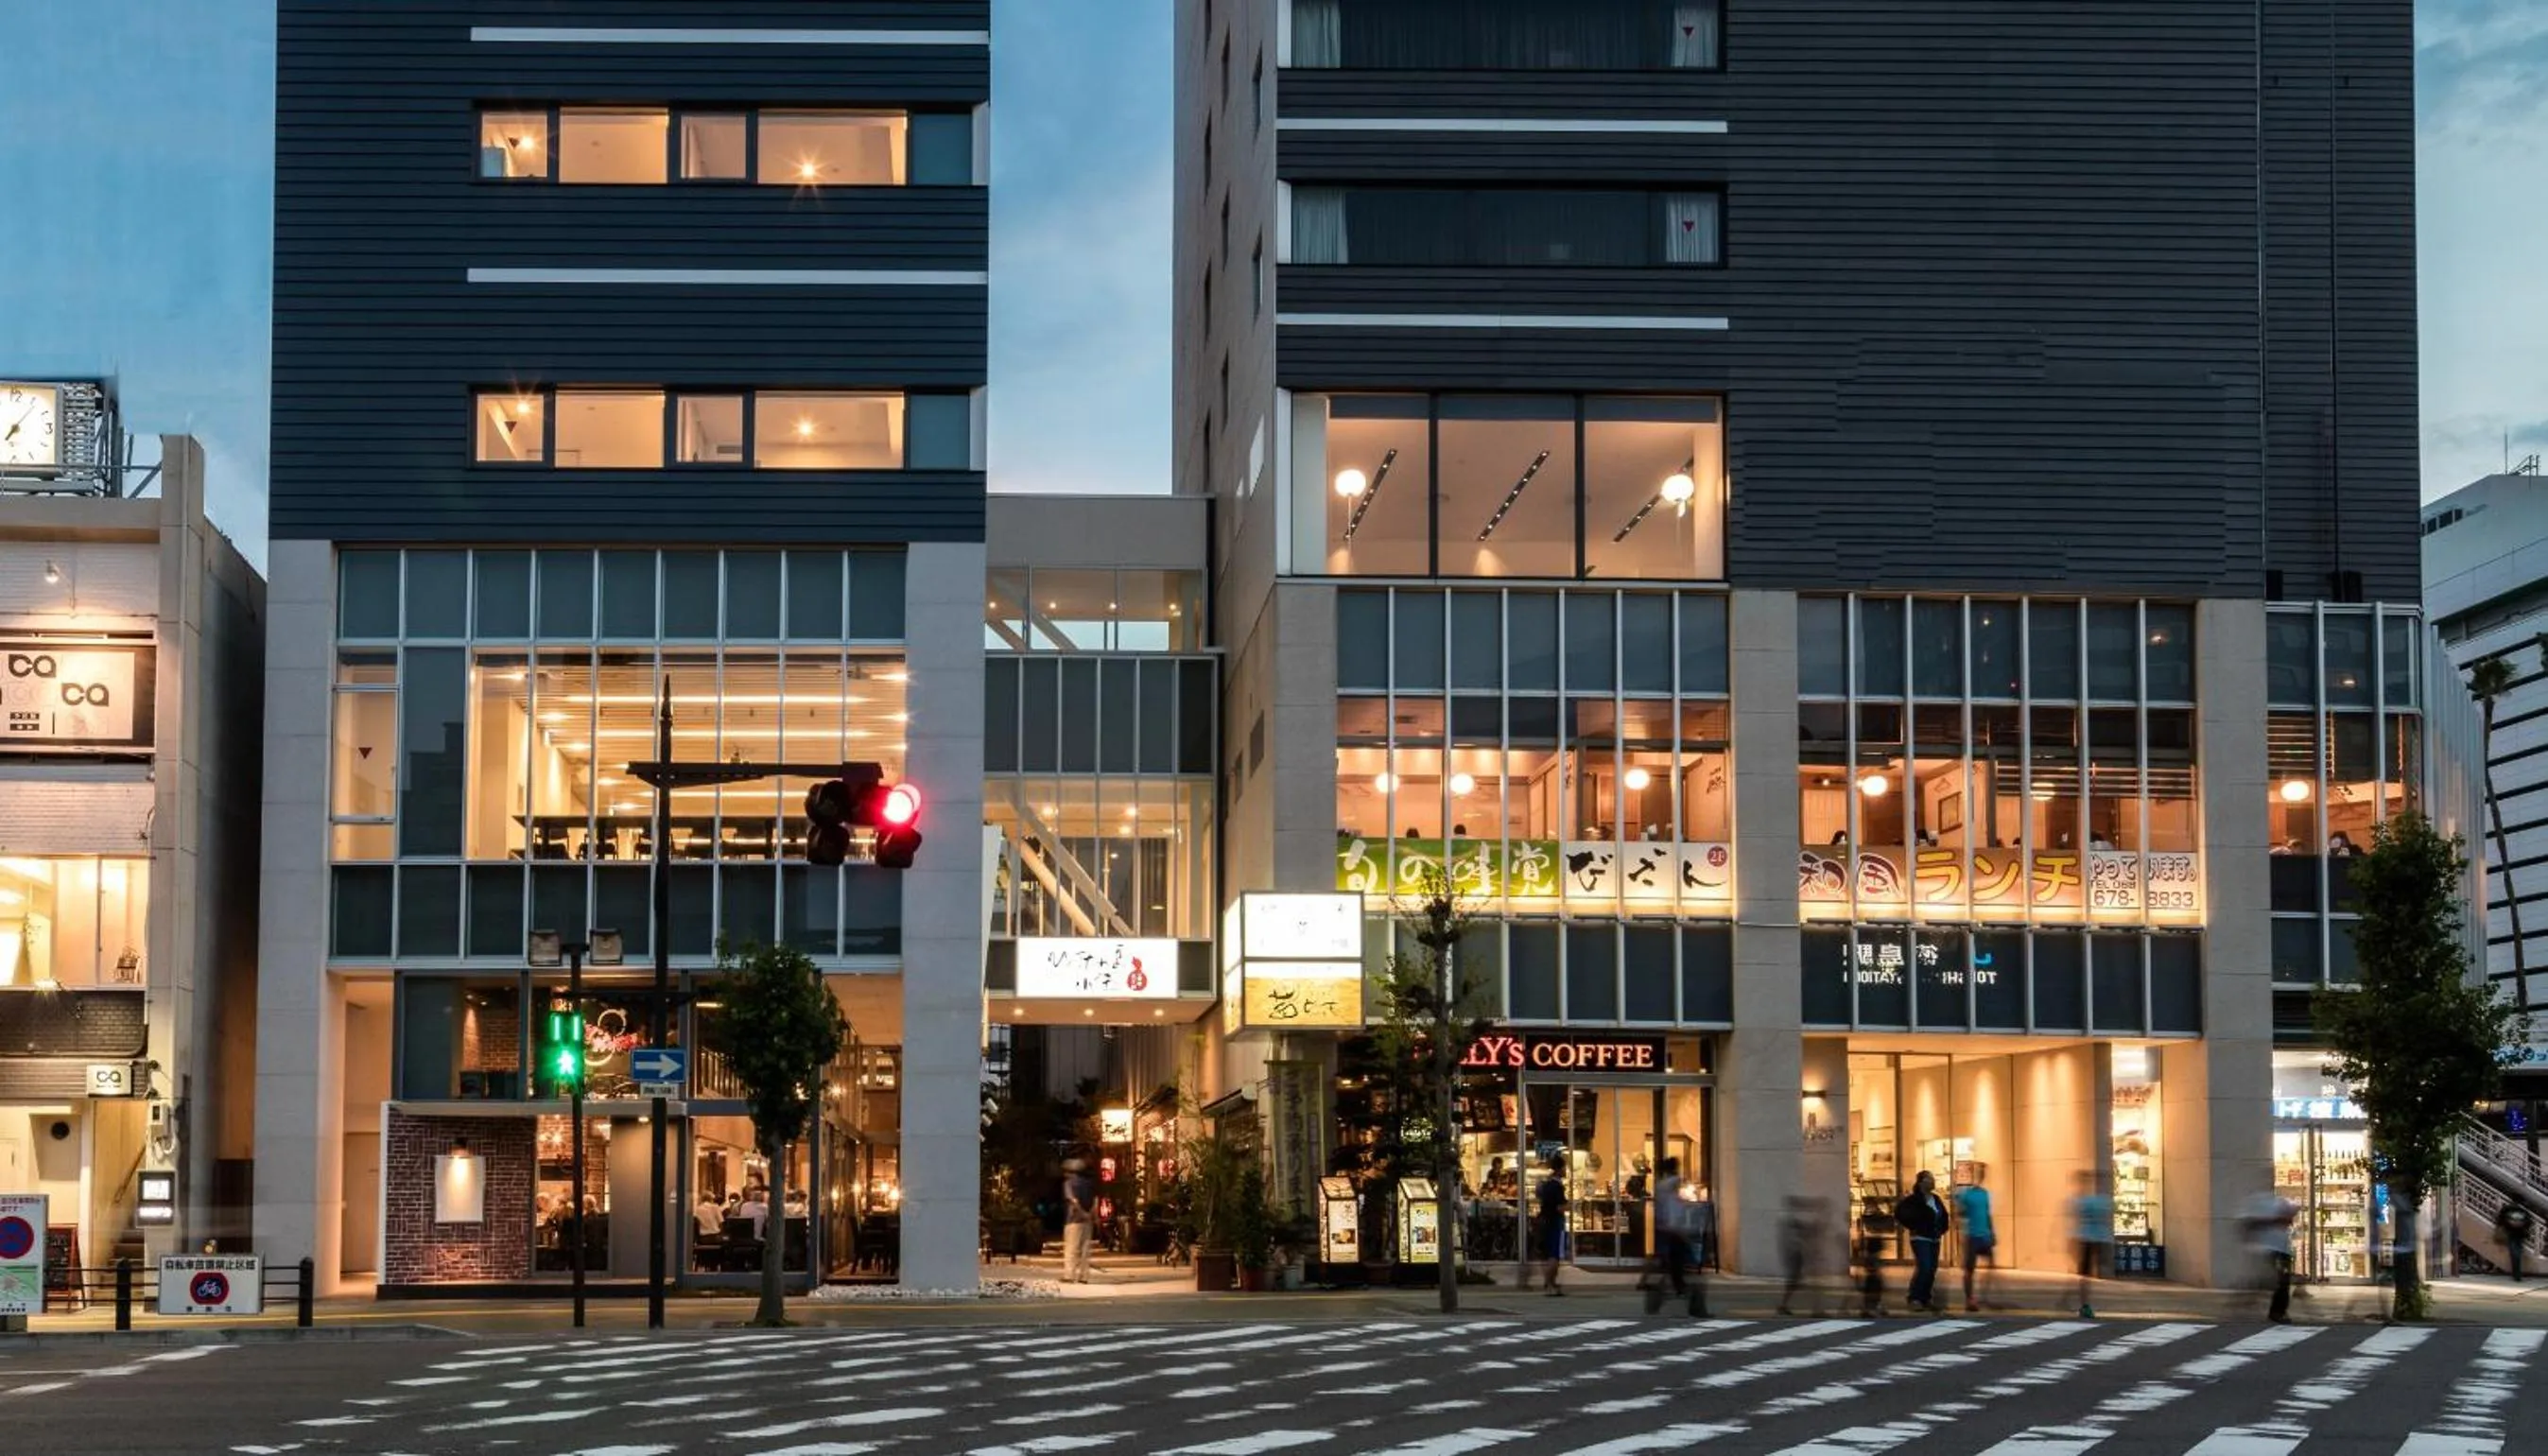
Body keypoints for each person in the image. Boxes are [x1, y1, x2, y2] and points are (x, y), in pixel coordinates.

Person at [1896, 1170, 1950, 1314]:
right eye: (1929, 1179)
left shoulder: (1936, 1199)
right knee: (1924, 1266)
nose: (1933, 1182)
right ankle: (1915, 1298)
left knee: (1932, 1268)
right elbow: (1901, 1213)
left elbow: (1943, 1215)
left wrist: (1942, 1229)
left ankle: (1925, 1298)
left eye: (1933, 1179)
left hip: (1935, 1238)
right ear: (1921, 1182)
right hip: (1920, 1238)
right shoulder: (1914, 1200)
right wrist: (1914, 1226)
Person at [2245, 1187, 2300, 1321]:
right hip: (2275, 1249)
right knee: (2282, 1281)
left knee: (2282, 1281)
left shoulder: (2280, 1203)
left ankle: (2277, 1311)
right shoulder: (2268, 1205)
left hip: (2279, 1249)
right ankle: (2277, 1312)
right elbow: (2250, 1224)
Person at [2070, 1171, 2114, 1317]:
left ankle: (2085, 1305)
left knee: (2085, 1275)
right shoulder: (2103, 1200)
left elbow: (2078, 1219)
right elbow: (2105, 1220)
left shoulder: (2082, 1201)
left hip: (2087, 1239)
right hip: (2097, 1238)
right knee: (2090, 1274)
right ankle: (2086, 1304)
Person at [1953, 1167, 1997, 1313]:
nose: (1980, 1176)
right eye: (1978, 1173)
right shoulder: (1965, 1194)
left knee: (1991, 1265)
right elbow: (1959, 1213)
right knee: (1969, 1270)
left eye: (1982, 1174)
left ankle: (1981, 1296)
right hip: (1971, 1236)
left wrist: (1992, 1233)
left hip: (1984, 1235)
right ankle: (1970, 1299)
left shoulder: (1985, 1194)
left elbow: (1988, 1213)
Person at [1777, 1195, 1822, 1317]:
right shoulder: (1789, 1218)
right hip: (1796, 1254)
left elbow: (1803, 1230)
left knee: (1797, 1283)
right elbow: (1803, 1230)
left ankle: (1784, 1306)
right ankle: (1816, 1309)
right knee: (1801, 1283)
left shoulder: (1788, 1217)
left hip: (1796, 1253)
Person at [1532, 1153, 1568, 1296]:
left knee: (1549, 1255)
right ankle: (1549, 1284)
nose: (1565, 1171)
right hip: (1555, 1222)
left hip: (1546, 1221)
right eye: (1564, 1168)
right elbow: (1559, 1207)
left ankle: (1551, 1283)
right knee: (1555, 1255)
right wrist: (1569, 1206)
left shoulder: (1546, 1185)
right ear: (1559, 1169)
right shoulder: (1557, 1186)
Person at [1061, 1159, 1097, 1284]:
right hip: (1087, 1222)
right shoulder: (1089, 1184)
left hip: (1073, 1220)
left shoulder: (1069, 1184)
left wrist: (1082, 1213)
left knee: (1071, 1248)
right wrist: (1090, 1215)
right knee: (1085, 1250)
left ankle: (1069, 1275)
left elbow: (1073, 1201)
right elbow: (1095, 1202)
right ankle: (1084, 1276)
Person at [2497, 1198, 2536, 1283]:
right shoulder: (2523, 1210)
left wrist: (2508, 1225)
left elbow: (2500, 1220)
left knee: (2515, 1254)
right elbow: (2529, 1222)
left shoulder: (2507, 1209)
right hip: (2517, 1234)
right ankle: (2517, 1275)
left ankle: (2516, 1274)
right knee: (2516, 1254)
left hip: (2513, 1234)